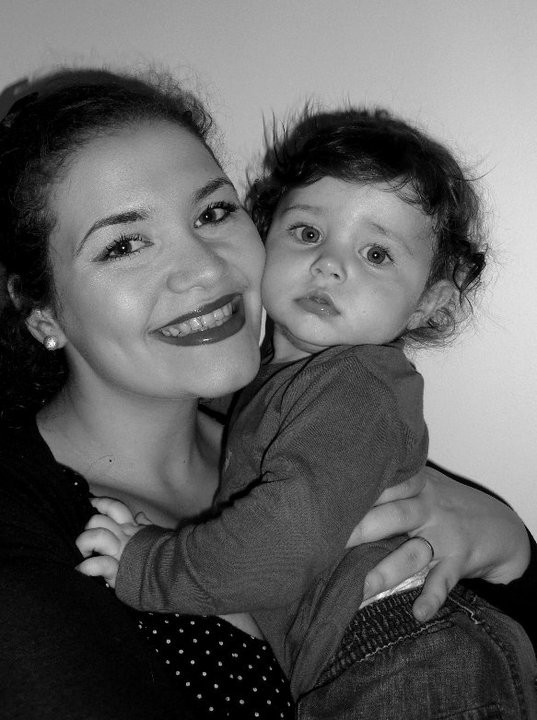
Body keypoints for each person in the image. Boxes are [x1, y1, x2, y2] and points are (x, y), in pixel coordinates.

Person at [0, 67, 534, 720]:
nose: (204, 268)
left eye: (212, 212)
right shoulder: (21, 532)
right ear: (40, 309)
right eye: (125, 244)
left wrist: (512, 550)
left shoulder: (308, 418)